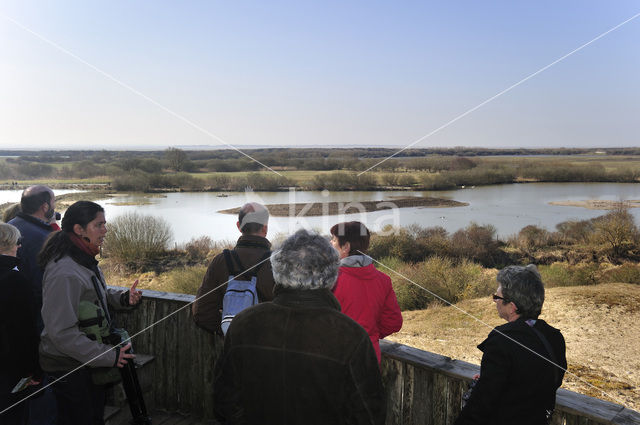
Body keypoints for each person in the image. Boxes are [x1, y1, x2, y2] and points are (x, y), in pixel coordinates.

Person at [214, 229, 386, 425]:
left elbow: (224, 401)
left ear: (277, 271)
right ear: (331, 276)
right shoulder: (351, 336)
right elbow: (370, 415)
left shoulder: (243, 324)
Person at [38, 201, 143, 425]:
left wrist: (123, 298)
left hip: (85, 361)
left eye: (105, 224)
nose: (105, 230)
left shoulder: (82, 260)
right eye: (99, 225)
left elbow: (94, 293)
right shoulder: (63, 271)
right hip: (68, 366)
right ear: (79, 229)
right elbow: (62, 333)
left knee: (94, 418)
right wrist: (109, 356)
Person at [454, 265, 567, 425]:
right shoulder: (555, 337)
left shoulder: (501, 340)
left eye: (497, 297)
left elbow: (481, 404)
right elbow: (545, 381)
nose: (494, 301)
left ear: (512, 307)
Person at [7, 186, 57, 424]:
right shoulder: (43, 238)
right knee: (38, 388)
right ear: (45, 206)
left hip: (10, 327)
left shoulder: (11, 227)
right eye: (53, 203)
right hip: (36, 322)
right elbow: (45, 287)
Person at [192, 202, 275, 336]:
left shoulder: (221, 261)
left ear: (239, 226)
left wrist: (228, 333)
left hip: (233, 352)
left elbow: (201, 312)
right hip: (270, 349)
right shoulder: (279, 263)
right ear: (265, 228)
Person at [330, 221, 402, 363]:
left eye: (333, 240)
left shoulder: (330, 280)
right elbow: (393, 322)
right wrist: (370, 335)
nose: (330, 243)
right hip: (370, 358)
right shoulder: (384, 280)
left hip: (336, 358)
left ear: (346, 247)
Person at [0, 223, 41, 424]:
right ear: (11, 244)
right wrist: (33, 369)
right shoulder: (16, 281)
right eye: (18, 243)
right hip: (10, 367)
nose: (19, 247)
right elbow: (25, 330)